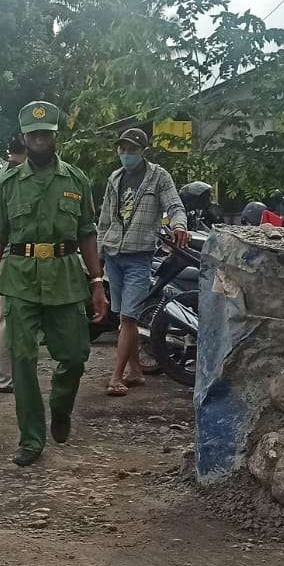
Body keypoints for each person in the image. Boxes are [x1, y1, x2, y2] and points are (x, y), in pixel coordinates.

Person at [0, 101, 107, 467]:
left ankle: (60, 408)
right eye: (33, 134)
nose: (40, 139)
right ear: (23, 138)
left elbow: (87, 234)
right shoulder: (7, 184)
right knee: (22, 359)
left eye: (46, 133)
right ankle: (31, 438)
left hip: (65, 277)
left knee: (75, 356)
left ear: (54, 136)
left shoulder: (76, 180)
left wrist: (97, 283)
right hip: (20, 278)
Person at [97, 127, 187, 396]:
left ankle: (116, 375)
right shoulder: (115, 178)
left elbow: (175, 206)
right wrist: (99, 254)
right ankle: (136, 371)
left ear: (142, 152)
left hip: (140, 255)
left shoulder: (158, 177)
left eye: (132, 150)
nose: (125, 154)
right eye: (122, 149)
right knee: (125, 317)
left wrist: (179, 225)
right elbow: (104, 220)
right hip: (113, 254)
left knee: (127, 316)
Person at [0, 134, 29, 393]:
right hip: (15, 255)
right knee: (14, 318)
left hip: (8, 255)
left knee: (9, 318)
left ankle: (9, 378)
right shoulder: (13, 177)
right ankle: (9, 378)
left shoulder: (3, 175)